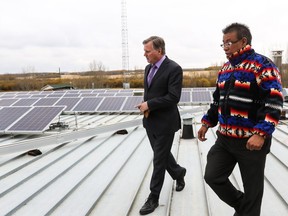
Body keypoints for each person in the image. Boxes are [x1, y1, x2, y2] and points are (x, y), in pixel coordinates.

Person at [197, 23, 283, 216]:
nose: (226, 47)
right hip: (225, 140)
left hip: (251, 142)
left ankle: (248, 209)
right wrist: (206, 122)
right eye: (223, 43)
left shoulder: (263, 65)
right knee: (213, 176)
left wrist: (261, 133)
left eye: (229, 42)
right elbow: (217, 101)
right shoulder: (226, 68)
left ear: (243, 41)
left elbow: (275, 100)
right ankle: (243, 206)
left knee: (253, 191)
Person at [136, 36, 186, 215]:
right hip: (150, 121)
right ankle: (179, 173)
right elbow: (151, 92)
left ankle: (153, 198)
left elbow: (173, 97)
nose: (145, 54)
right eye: (145, 51)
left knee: (158, 160)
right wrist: (145, 103)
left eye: (147, 51)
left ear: (159, 50)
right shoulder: (148, 68)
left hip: (165, 123)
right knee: (162, 156)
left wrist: (149, 104)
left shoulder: (174, 69)